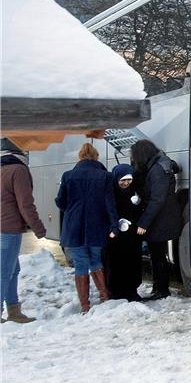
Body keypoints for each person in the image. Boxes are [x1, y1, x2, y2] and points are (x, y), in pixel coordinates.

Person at [56, 143, 119, 313]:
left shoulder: (68, 176)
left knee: (80, 264)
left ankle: (85, 305)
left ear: (80, 156)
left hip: (73, 227)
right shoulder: (105, 176)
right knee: (96, 261)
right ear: (96, 156)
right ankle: (104, 296)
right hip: (97, 226)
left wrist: (72, 210)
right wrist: (114, 225)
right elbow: (110, 204)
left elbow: (60, 201)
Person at [1, 137, 47, 323]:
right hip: (9, 228)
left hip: (3, 226)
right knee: (5, 271)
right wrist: (38, 228)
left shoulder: (2, 168)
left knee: (13, 269)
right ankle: (10, 312)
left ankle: (14, 311)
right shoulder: (18, 170)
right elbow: (25, 204)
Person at [130, 140, 182, 300]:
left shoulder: (157, 170)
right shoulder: (159, 165)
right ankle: (158, 287)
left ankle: (162, 289)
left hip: (160, 219)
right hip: (162, 217)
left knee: (157, 255)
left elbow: (157, 200)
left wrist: (143, 223)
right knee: (156, 254)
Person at [104, 164, 143, 301]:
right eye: (123, 180)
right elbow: (108, 211)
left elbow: (140, 212)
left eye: (129, 180)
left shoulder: (135, 192)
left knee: (133, 263)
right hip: (116, 237)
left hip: (132, 236)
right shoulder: (111, 192)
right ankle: (115, 291)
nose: (126, 183)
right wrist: (117, 223)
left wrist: (137, 204)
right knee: (116, 263)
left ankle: (132, 290)